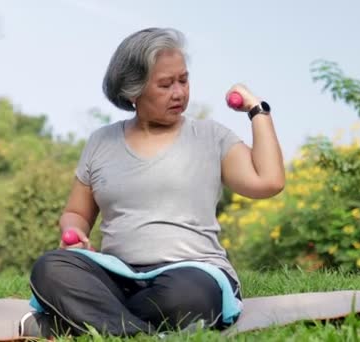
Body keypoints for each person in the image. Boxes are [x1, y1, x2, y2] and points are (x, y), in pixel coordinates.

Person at [21, 27, 285, 338]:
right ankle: (139, 332)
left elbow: (269, 181)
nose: (179, 92)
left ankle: (83, 324)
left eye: (183, 80)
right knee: (51, 268)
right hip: (118, 276)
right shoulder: (101, 141)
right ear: (133, 91)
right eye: (166, 84)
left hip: (191, 273)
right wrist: (75, 231)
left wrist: (257, 110)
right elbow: (77, 213)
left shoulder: (210, 136)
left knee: (185, 299)